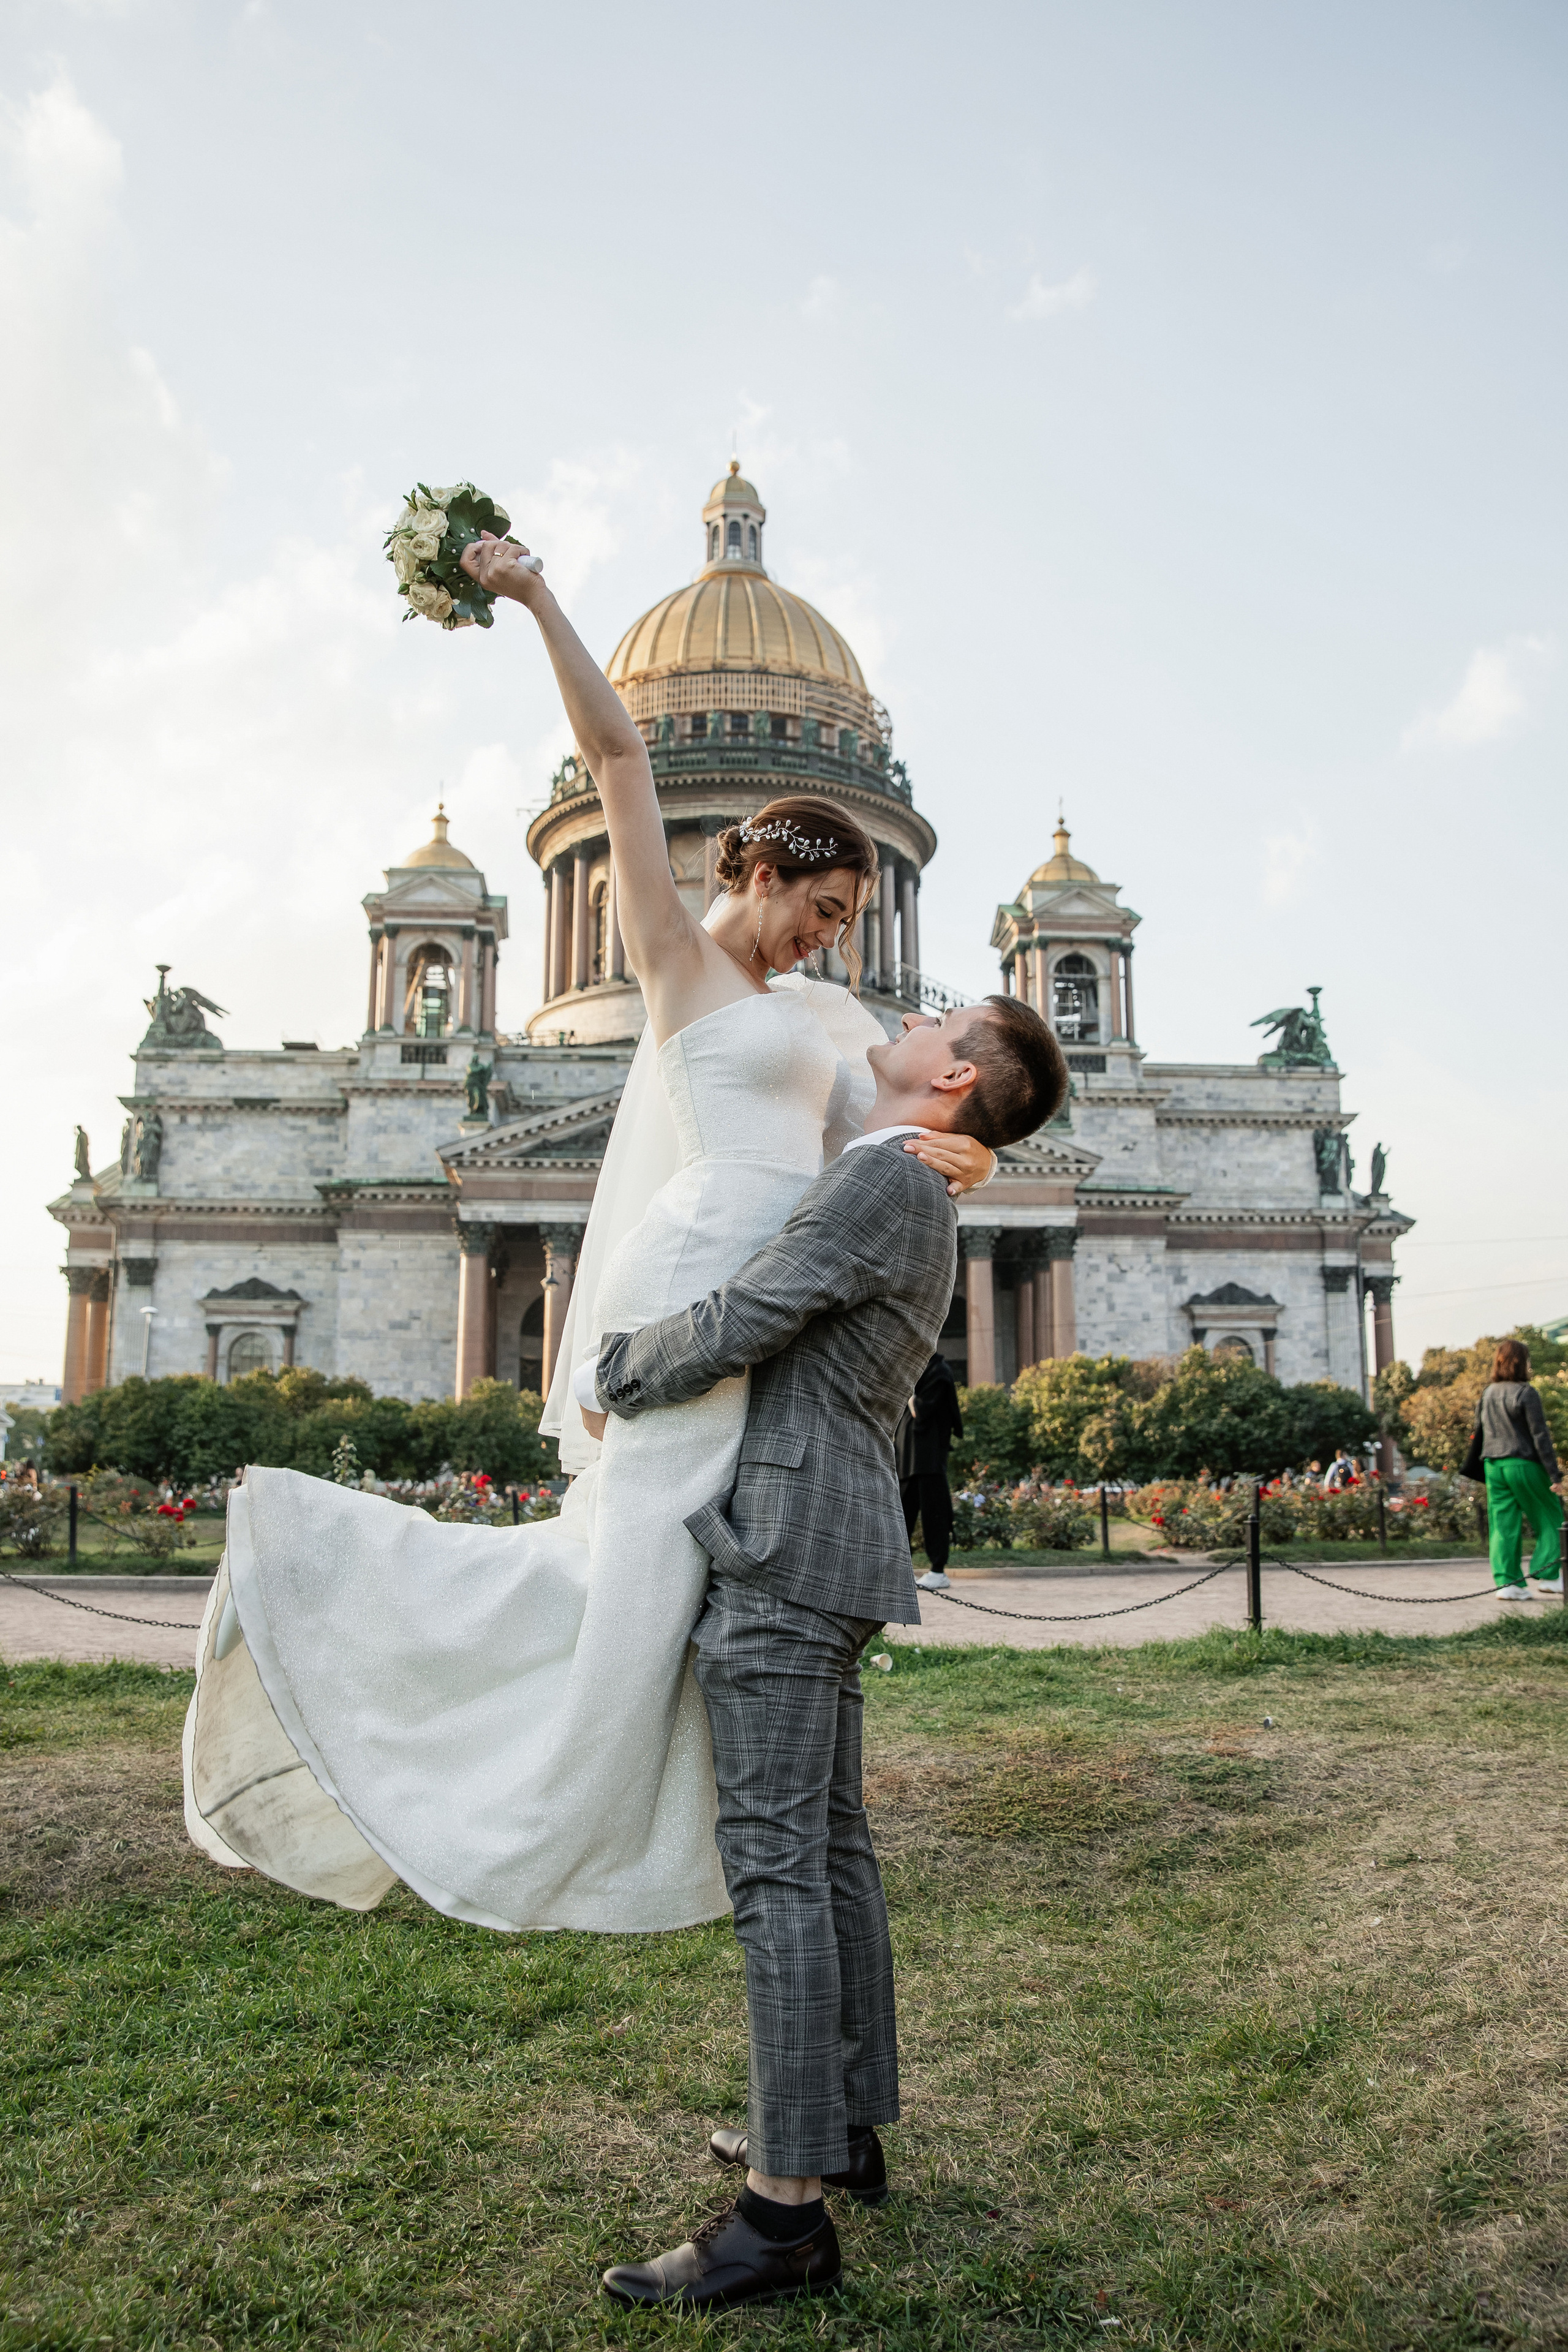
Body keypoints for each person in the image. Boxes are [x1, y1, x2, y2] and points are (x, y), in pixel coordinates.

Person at [181, 530, 996, 1932]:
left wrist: (966, 1142)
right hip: (690, 1276)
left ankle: (696, 1801)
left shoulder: (834, 1020)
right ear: (759, 864)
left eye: (855, 917)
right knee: (622, 1560)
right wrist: (534, 596)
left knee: (697, 1572)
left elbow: (894, 1119)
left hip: (769, 1295)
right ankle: (415, 1674)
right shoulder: (674, 962)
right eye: (820, 903)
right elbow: (623, 762)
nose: (829, 935)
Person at [591, 992, 1068, 2310]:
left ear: (958, 1075)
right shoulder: (902, 1172)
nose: (910, 1011)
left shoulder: (885, 1188)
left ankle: (779, 2218)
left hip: (790, 1545)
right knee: (829, 1846)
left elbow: (752, 1310)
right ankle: (838, 2129)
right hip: (831, 1532)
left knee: (776, 1869)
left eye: (943, 1016)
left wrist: (614, 1369)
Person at [1474, 1338, 1564, 1599]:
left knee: (1503, 1525)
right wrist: (1554, 1475)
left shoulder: (1488, 1393)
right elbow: (1540, 1436)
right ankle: (1548, 1575)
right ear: (1521, 1362)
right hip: (1523, 1462)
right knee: (1551, 1517)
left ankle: (1508, 1584)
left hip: (1493, 1465)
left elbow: (1480, 1431)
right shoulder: (1526, 1392)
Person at [897, 1351, 963, 1591]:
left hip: (929, 1458)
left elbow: (922, 1411)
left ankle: (937, 1570)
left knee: (935, 1514)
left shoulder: (938, 1371)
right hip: (908, 1460)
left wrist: (910, 1395)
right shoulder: (919, 1371)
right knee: (901, 1515)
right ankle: (897, 1569)